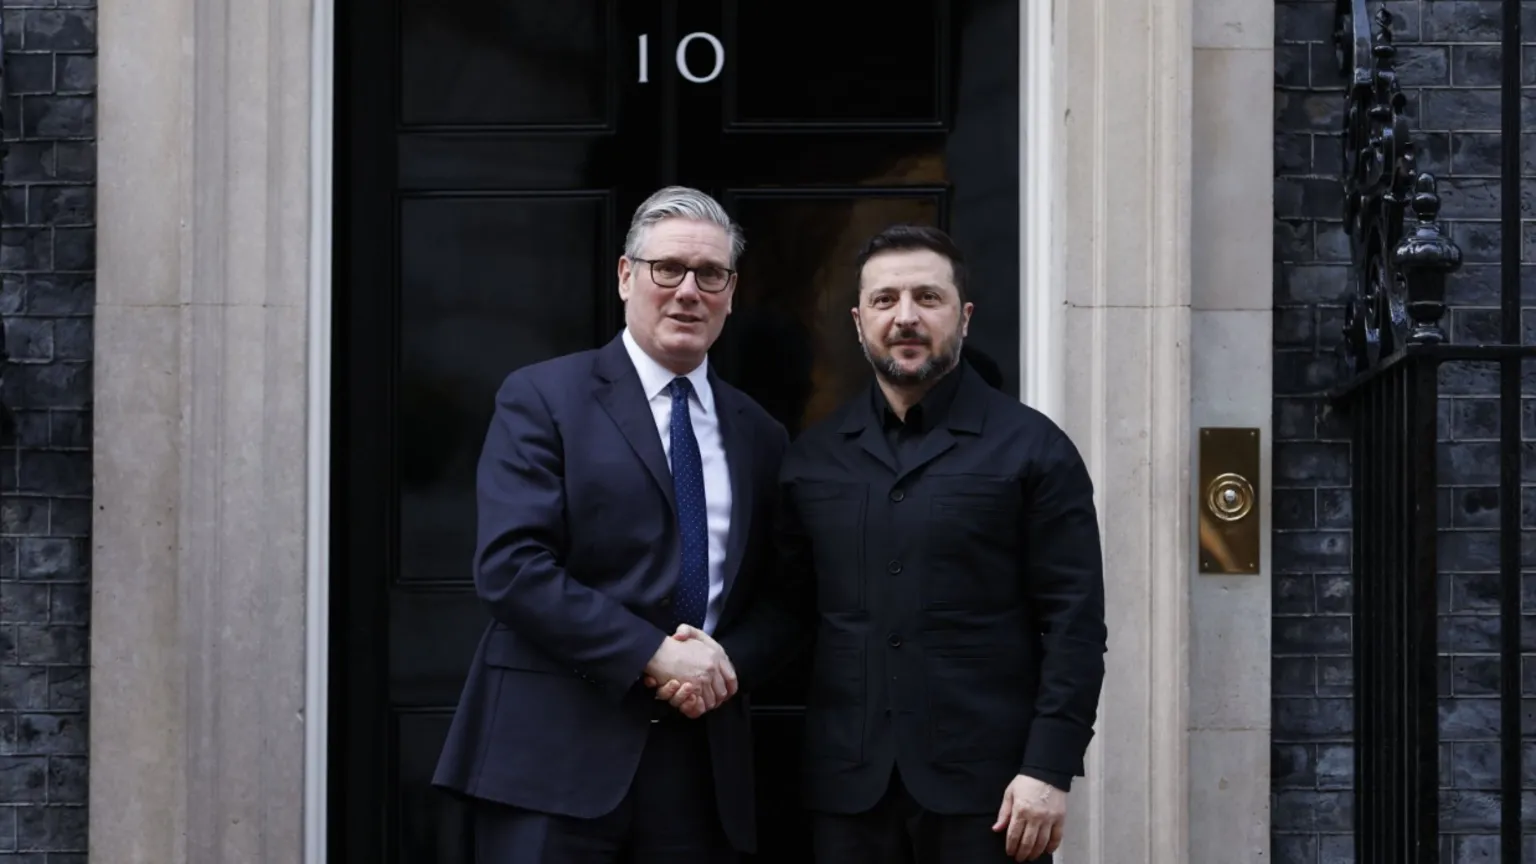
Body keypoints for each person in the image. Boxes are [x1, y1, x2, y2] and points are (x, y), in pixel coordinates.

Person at [660, 224, 1107, 863]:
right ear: (858, 319)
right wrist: (711, 665)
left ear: (964, 315)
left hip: (991, 795)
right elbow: (791, 612)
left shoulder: (1034, 450)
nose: (906, 317)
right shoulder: (812, 458)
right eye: (885, 300)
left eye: (928, 298)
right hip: (847, 792)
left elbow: (1074, 626)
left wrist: (1049, 770)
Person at [431, 186, 789, 863]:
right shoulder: (543, 398)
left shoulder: (760, 434)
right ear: (626, 275)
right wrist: (656, 655)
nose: (689, 290)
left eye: (710, 274)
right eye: (668, 269)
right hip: (552, 762)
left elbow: (786, 596)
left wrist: (717, 667)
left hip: (699, 771)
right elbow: (512, 567)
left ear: (732, 292)